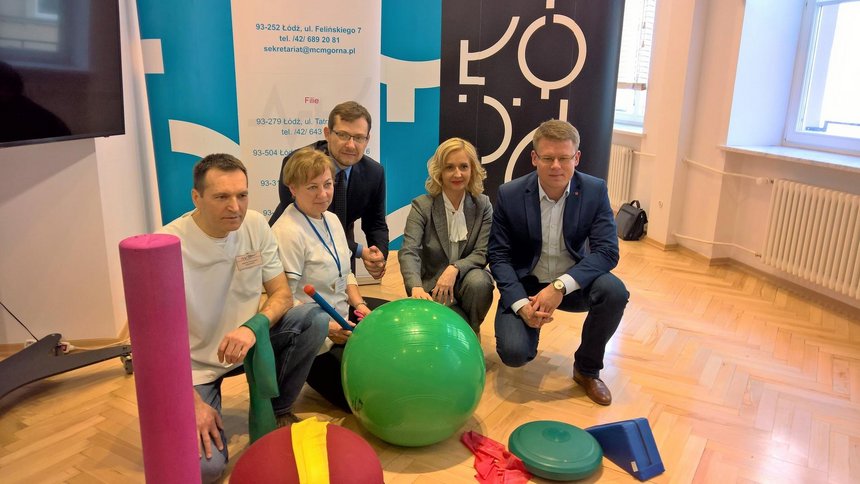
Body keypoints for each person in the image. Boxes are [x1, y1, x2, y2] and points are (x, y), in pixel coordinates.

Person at [159, 154, 327, 483]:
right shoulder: (168, 244)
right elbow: (155, 345)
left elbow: (282, 295)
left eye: (242, 195)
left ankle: (278, 409)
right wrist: (190, 403)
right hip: (194, 366)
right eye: (222, 196)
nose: (235, 207)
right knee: (205, 469)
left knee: (314, 319)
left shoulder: (254, 224)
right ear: (196, 197)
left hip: (248, 344)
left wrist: (253, 328)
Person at [488, 120, 629, 406]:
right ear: (534, 158)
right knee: (514, 354)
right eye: (548, 158)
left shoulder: (594, 190)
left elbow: (607, 251)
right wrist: (520, 305)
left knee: (614, 292)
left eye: (564, 158)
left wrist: (559, 287)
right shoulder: (510, 194)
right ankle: (528, 327)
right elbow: (499, 256)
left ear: (577, 158)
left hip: (572, 285)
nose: (556, 166)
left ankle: (587, 370)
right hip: (527, 287)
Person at [271, 147, 379, 412]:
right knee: (364, 398)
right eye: (312, 187)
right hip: (314, 337)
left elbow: (346, 272)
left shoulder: (331, 219)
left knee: (389, 330)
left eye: (327, 184)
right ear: (292, 189)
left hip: (343, 316)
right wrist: (328, 328)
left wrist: (359, 304)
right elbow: (285, 299)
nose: (323, 194)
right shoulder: (287, 231)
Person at [269, 101, 388, 279]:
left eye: (358, 137)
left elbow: (376, 224)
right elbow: (305, 221)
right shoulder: (297, 162)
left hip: (342, 251)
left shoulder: (374, 173)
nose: (351, 145)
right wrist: (360, 250)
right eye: (343, 135)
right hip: (295, 247)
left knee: (345, 293)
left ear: (367, 140)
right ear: (327, 133)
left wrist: (378, 257)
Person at [398, 138, 495, 333]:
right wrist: (415, 286)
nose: (457, 174)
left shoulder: (483, 205)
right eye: (449, 167)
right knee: (443, 329)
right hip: (433, 286)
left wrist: (454, 268)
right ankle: (461, 327)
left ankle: (472, 331)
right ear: (439, 172)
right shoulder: (422, 206)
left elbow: (482, 252)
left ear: (472, 170)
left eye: (463, 167)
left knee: (480, 283)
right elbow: (409, 250)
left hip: (467, 280)